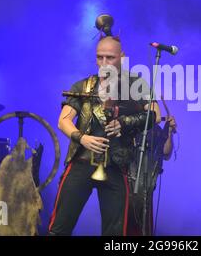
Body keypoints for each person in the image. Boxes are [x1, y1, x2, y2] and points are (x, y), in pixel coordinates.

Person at [48, 36, 160, 236]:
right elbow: (62, 121)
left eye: (110, 57)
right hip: (81, 162)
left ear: (122, 58)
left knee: (115, 233)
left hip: (115, 166)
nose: (104, 63)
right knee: (60, 227)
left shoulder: (135, 84)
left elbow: (156, 115)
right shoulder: (83, 86)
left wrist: (125, 123)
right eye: (100, 58)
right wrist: (82, 138)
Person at [126, 112, 177, 236]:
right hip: (126, 180)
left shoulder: (156, 130)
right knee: (124, 218)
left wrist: (169, 132)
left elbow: (166, 153)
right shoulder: (131, 123)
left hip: (146, 184)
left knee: (143, 220)